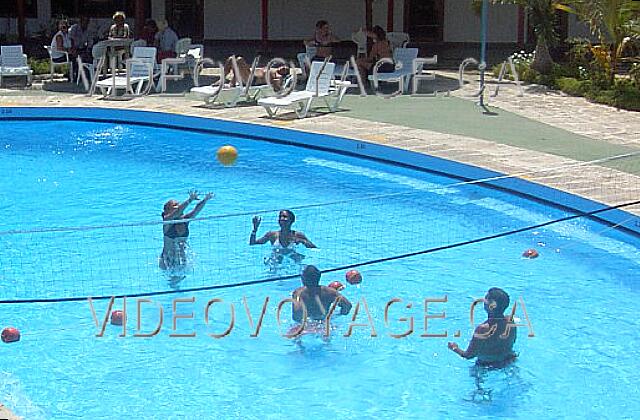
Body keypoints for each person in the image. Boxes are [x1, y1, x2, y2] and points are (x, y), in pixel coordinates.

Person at [448, 287, 517, 368]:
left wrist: (455, 348)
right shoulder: (510, 322)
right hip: (508, 360)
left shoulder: (483, 329)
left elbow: (468, 355)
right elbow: (513, 340)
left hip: (486, 365)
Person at [159, 190, 214, 270]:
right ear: (168, 211)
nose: (179, 206)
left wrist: (205, 199)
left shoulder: (185, 220)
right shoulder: (167, 222)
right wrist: (190, 200)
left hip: (181, 261)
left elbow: (196, 210)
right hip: (166, 261)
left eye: (178, 204)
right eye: (175, 205)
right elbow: (177, 212)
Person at [250, 210, 316, 264]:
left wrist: (302, 241)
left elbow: (313, 247)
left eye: (284, 216)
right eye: (280, 216)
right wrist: (255, 229)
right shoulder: (272, 235)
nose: (281, 218)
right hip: (276, 261)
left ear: (291, 220)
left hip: (292, 260)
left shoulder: (297, 235)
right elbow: (253, 243)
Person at [223, 56, 290, 90]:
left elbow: (278, 83)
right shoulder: (272, 69)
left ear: (284, 74)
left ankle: (232, 82)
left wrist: (275, 84)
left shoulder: (278, 75)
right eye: (283, 67)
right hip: (249, 75)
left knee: (239, 60)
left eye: (284, 70)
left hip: (252, 80)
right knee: (231, 59)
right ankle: (223, 79)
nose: (283, 68)